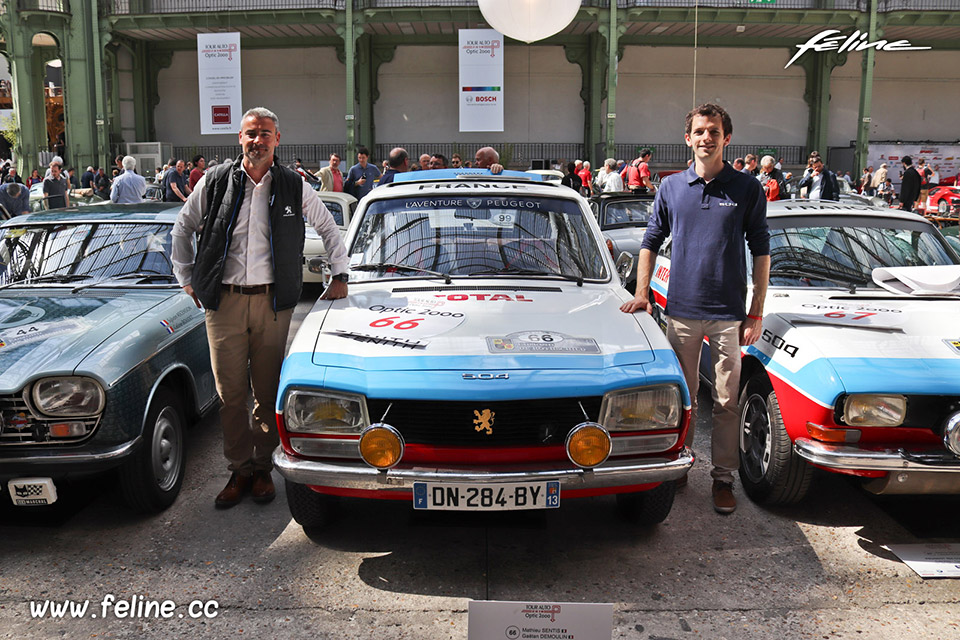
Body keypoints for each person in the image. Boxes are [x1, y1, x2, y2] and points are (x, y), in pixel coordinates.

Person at [171, 107, 350, 508]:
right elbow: (183, 227)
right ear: (240, 138)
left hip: (272, 304)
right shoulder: (216, 181)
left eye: (265, 133)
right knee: (230, 392)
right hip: (224, 304)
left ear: (277, 139)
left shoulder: (292, 185)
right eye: (251, 133)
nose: (258, 140)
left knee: (266, 390)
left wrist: (340, 275)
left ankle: (263, 468)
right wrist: (186, 278)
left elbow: (328, 228)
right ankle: (239, 470)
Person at [620, 103, 770, 515]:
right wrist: (642, 293)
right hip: (682, 312)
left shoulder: (746, 188)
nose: (707, 137)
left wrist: (756, 311)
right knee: (682, 399)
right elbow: (650, 240)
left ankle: (723, 479)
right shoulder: (670, 188)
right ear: (688, 138)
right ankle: (681, 465)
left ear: (726, 138)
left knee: (726, 402)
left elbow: (761, 250)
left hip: (728, 315)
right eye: (700, 131)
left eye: (714, 131)